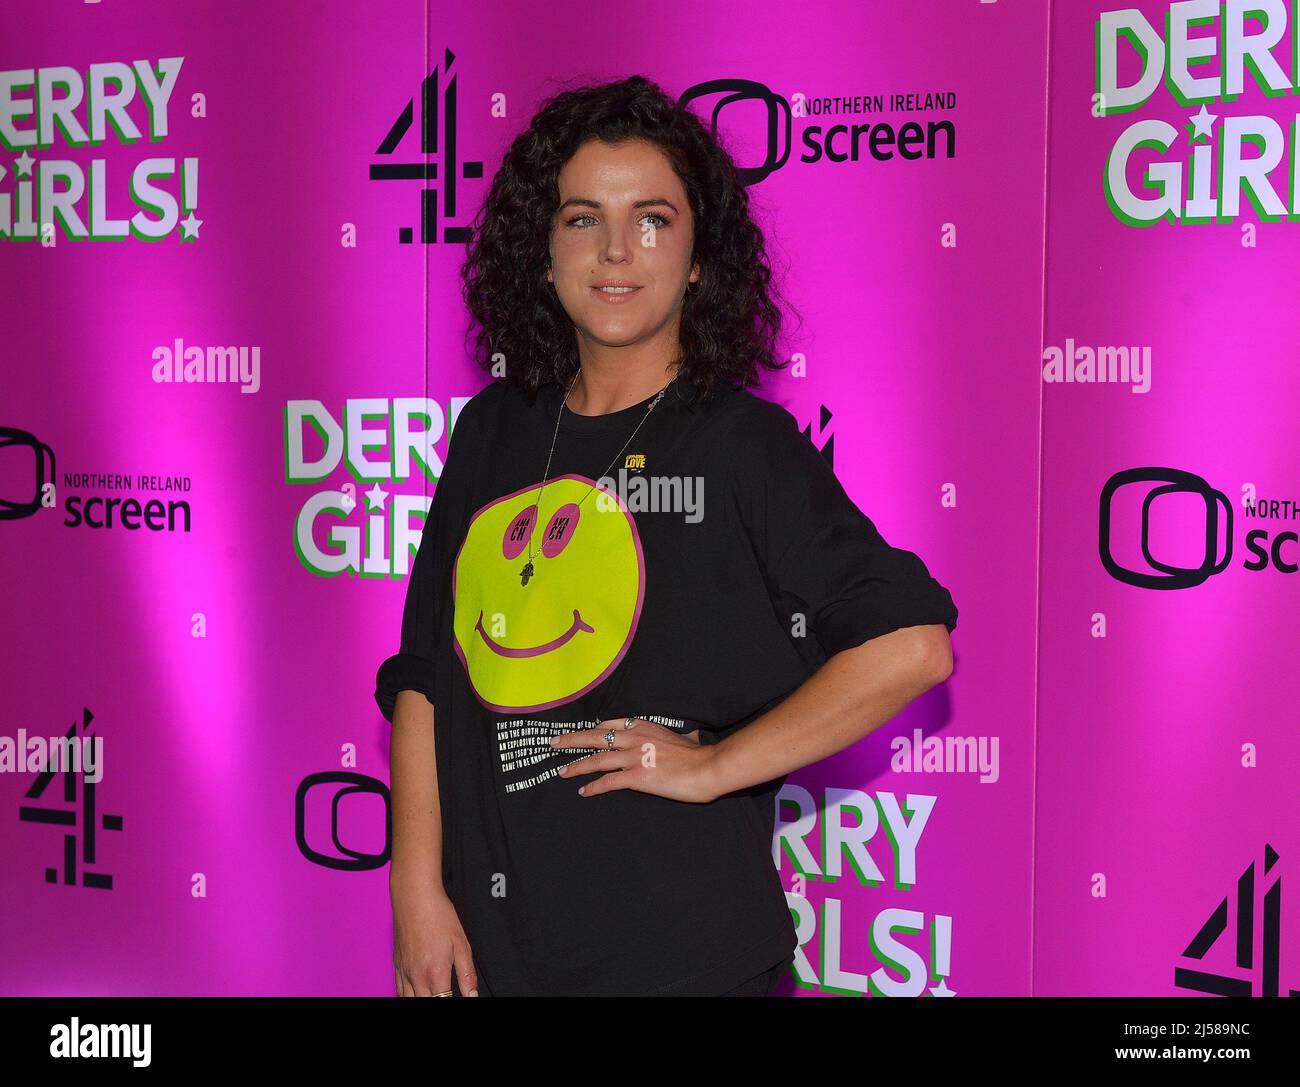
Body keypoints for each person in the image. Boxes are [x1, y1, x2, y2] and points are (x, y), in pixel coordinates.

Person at [375, 75, 958, 998]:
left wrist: (718, 764)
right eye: (581, 219)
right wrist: (416, 887)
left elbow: (912, 646)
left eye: (651, 218)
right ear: (544, 248)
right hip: (492, 950)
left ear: (697, 258)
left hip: (679, 954)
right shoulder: (494, 429)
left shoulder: (740, 446)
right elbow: (427, 674)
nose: (615, 250)